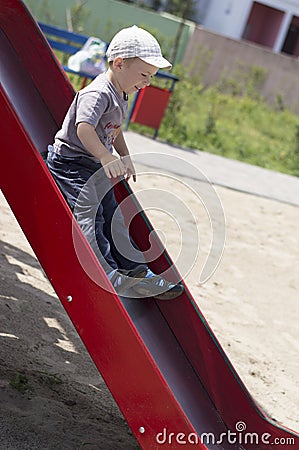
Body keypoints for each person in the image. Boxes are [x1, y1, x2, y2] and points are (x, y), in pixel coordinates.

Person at [47, 25, 184, 300]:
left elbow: (114, 129)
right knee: (91, 214)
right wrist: (105, 156)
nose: (147, 82)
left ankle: (137, 272)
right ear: (119, 64)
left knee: (116, 217)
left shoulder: (122, 93)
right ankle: (106, 271)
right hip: (70, 163)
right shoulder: (98, 93)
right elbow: (84, 127)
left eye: (151, 77)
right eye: (144, 75)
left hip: (93, 165)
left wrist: (124, 155)